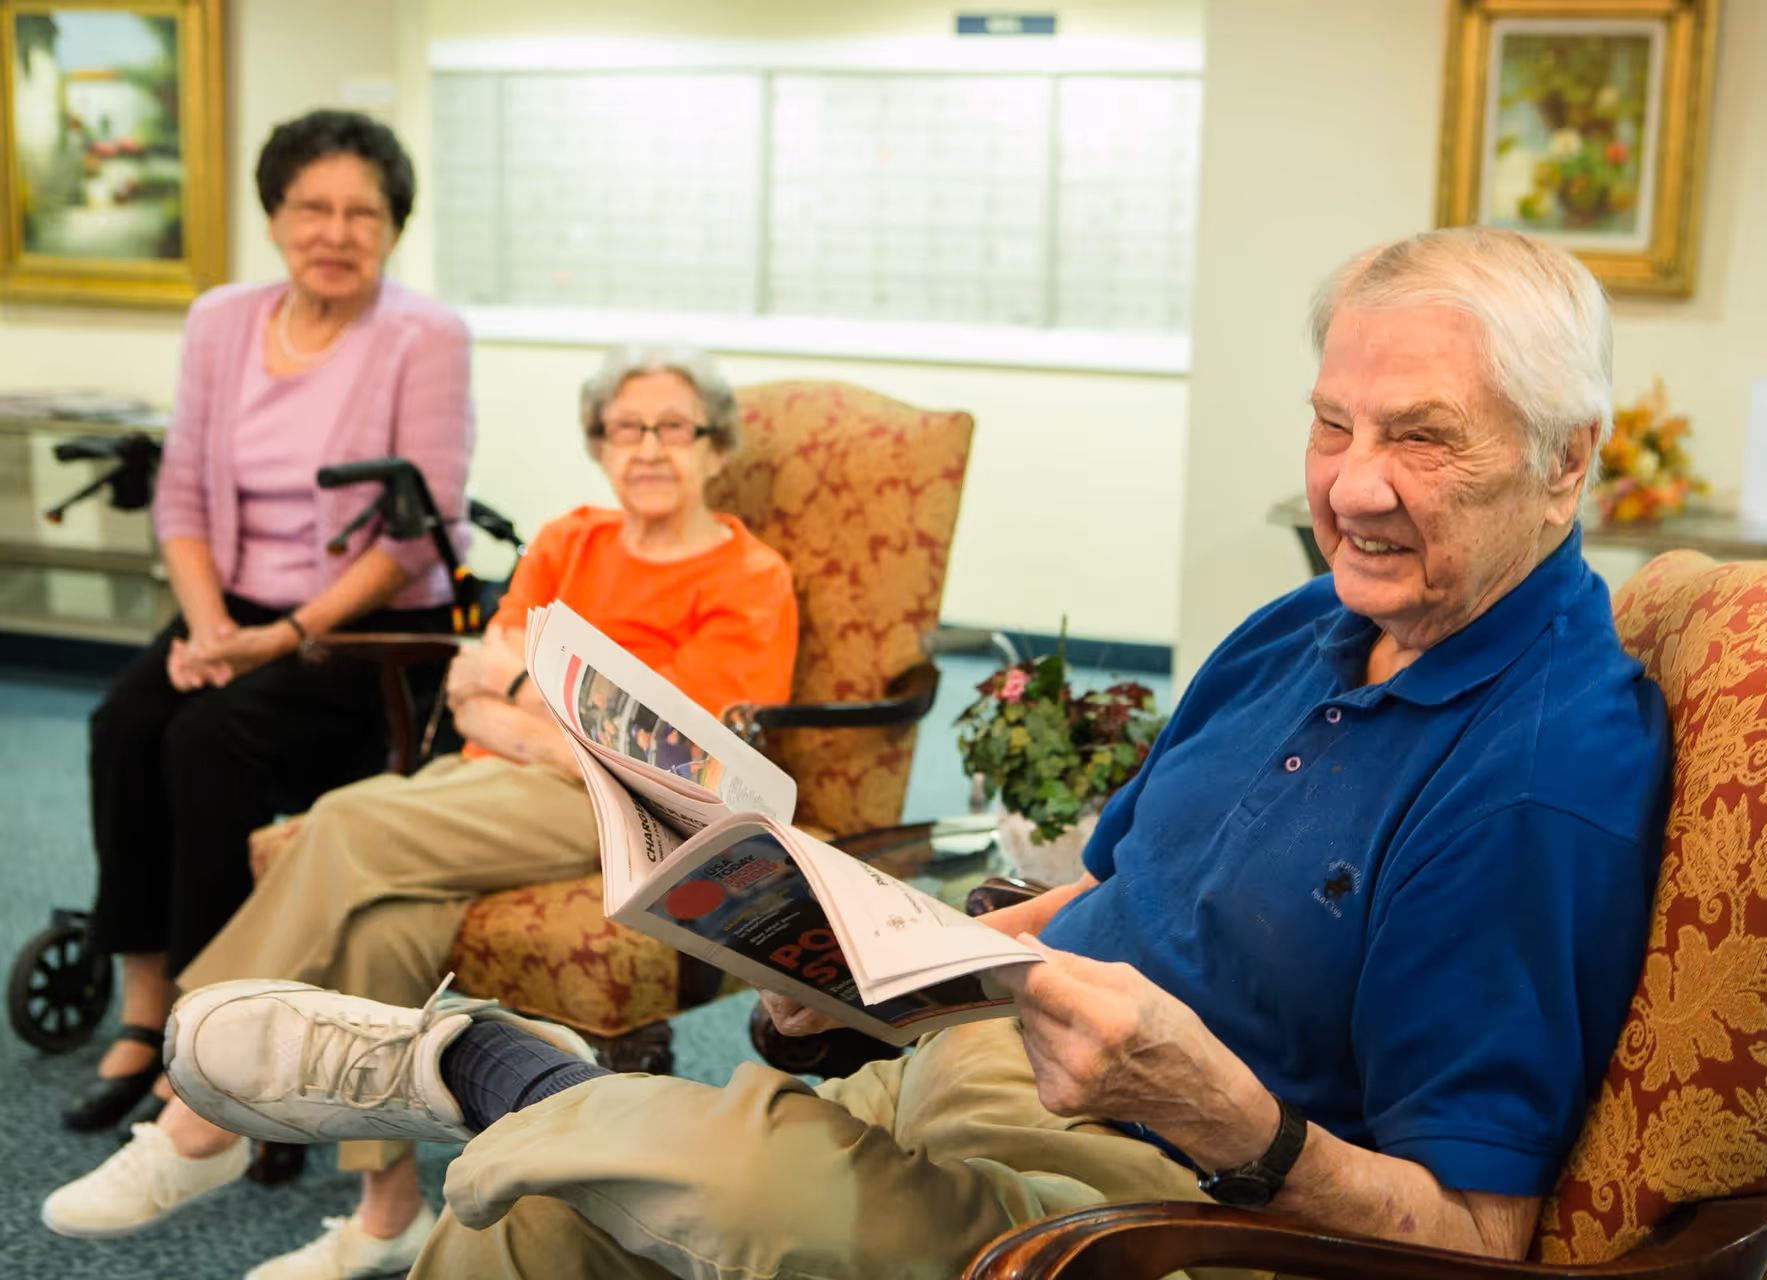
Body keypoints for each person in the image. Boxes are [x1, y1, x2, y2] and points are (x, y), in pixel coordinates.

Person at [158, 227, 1672, 1278]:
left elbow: (1477, 1241)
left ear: (1565, 460)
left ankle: (505, 1073)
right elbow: (1098, 885)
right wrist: (884, 958)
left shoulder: (1532, 779)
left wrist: (1232, 1115)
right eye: (1331, 425)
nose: (1353, 488)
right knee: (521, 1225)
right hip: (989, 1073)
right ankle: (560, 1107)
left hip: (1189, 1209)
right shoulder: (1302, 629)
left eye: (1422, 437)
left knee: (695, 1175)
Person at [42, 343, 800, 1280]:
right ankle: (386, 1212)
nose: (647, 447)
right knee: (383, 919)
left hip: (614, 812)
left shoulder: (748, 578)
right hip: (497, 778)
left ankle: (194, 1107)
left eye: (672, 428)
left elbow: (675, 763)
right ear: (599, 445)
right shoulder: (570, 540)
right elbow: (469, 689)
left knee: (345, 823)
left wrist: (526, 695)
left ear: (714, 448)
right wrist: (551, 718)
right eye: (624, 428)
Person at [67, 109, 474, 1135]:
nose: (334, 231)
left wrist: (284, 634)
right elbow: (185, 496)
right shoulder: (221, 319)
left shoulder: (423, 336)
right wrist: (206, 627)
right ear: (275, 214)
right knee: (124, 724)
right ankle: (146, 999)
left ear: (392, 227)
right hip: (229, 607)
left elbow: (418, 533)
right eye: (311, 208)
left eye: (360, 212)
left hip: (363, 629)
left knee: (208, 740)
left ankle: (214, 1036)